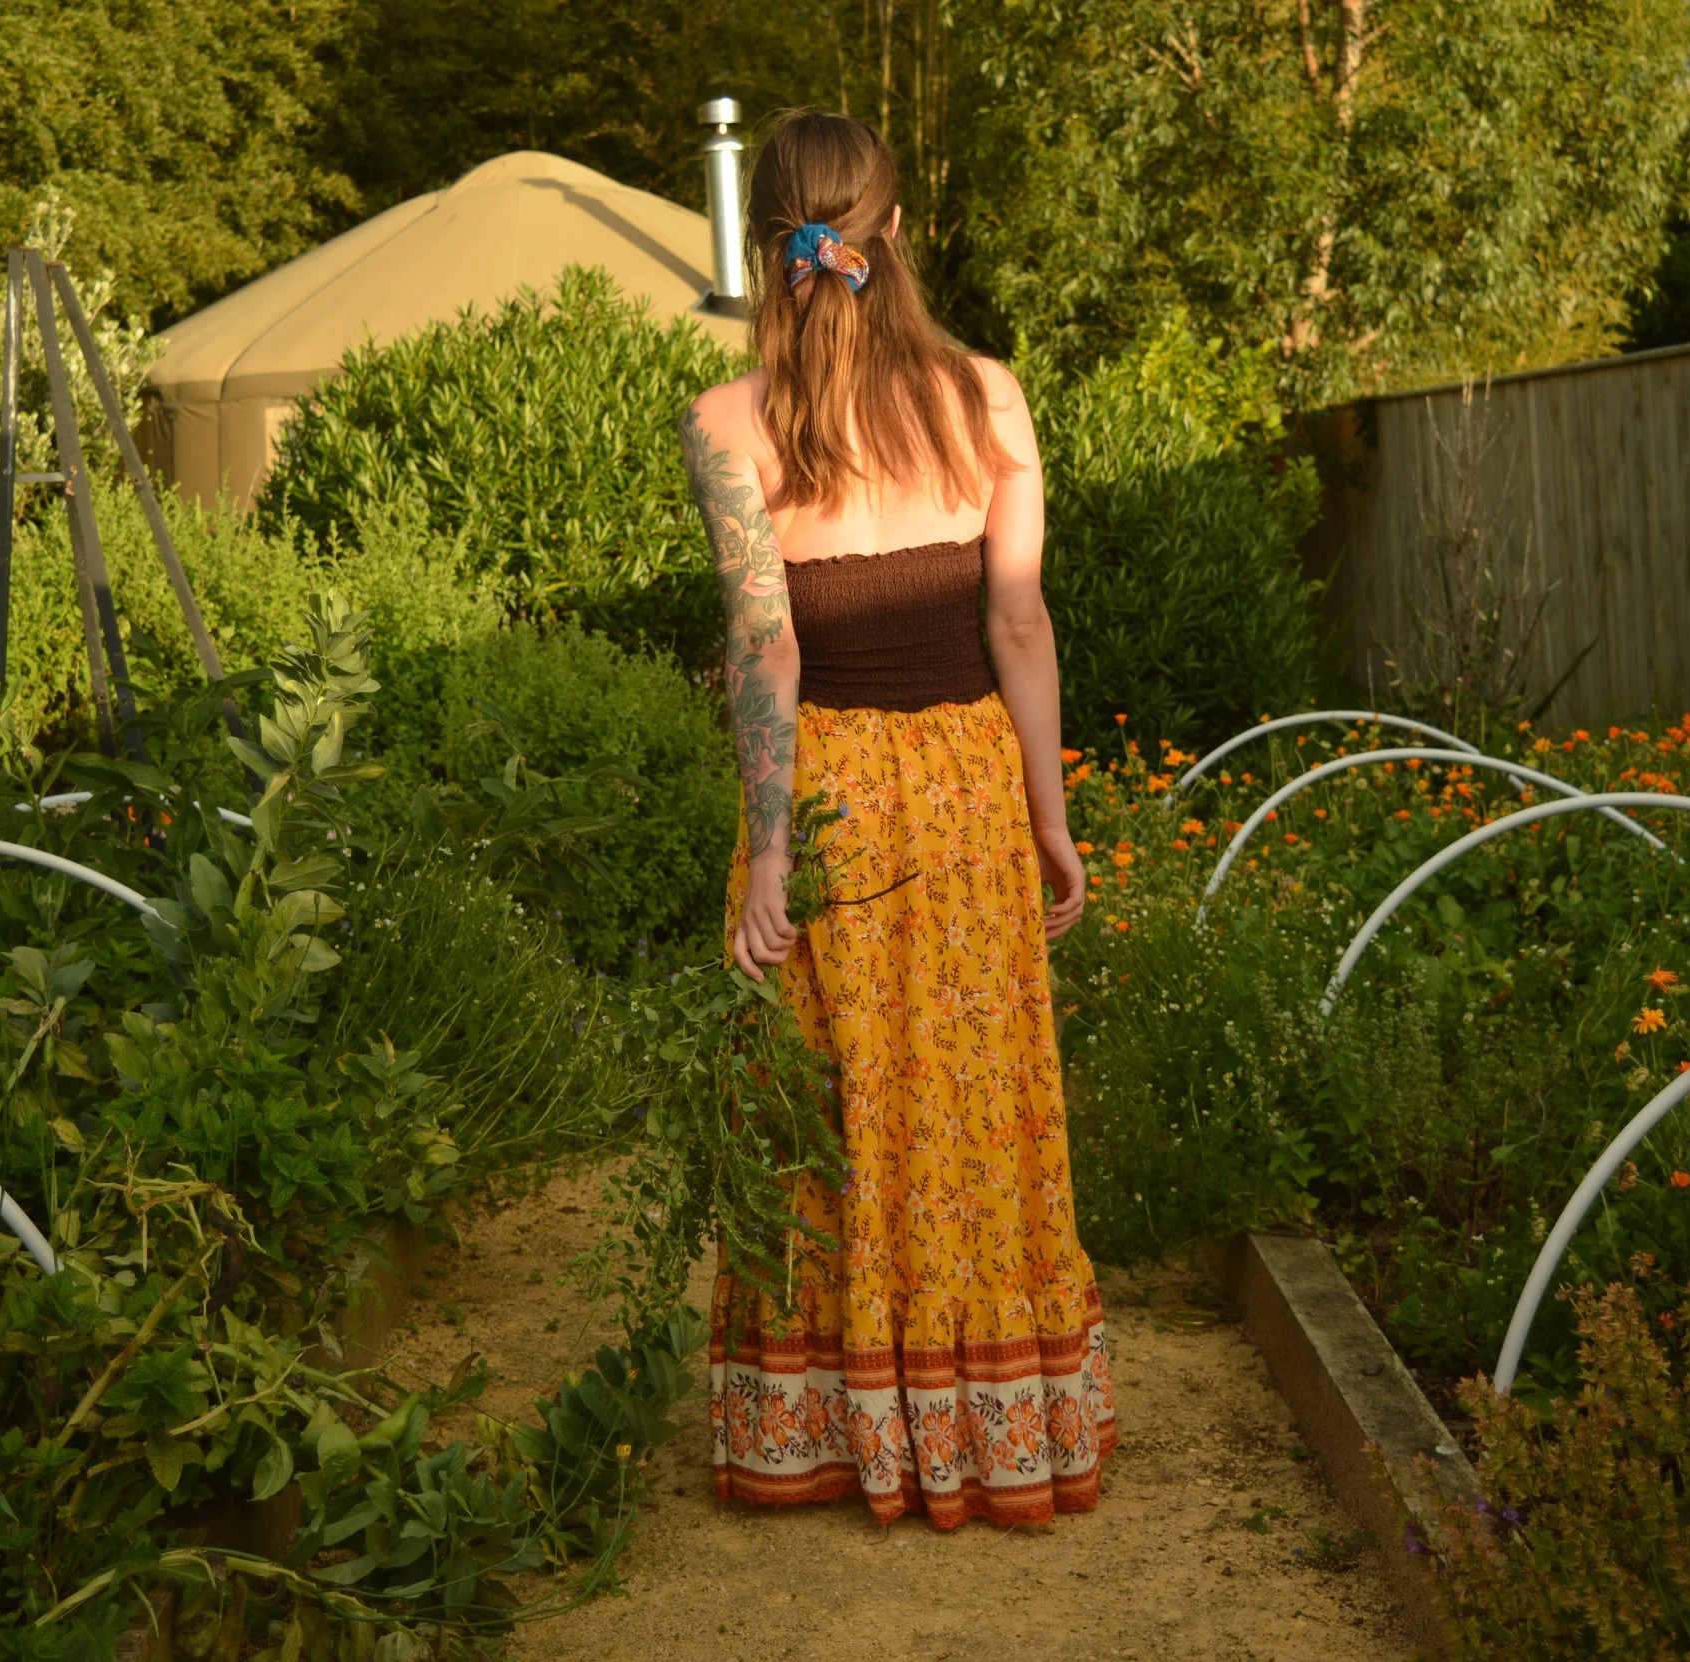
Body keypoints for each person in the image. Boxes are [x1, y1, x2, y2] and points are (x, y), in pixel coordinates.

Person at [680, 108, 1115, 1531]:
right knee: (975, 1098)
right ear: (894, 234)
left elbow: (768, 651)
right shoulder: (988, 396)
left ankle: (835, 1427)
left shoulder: (730, 421)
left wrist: (768, 849)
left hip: (840, 793)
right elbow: (1019, 617)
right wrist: (1049, 813)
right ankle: (990, 1430)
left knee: (835, 1105)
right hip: (972, 783)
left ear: (774, 246)